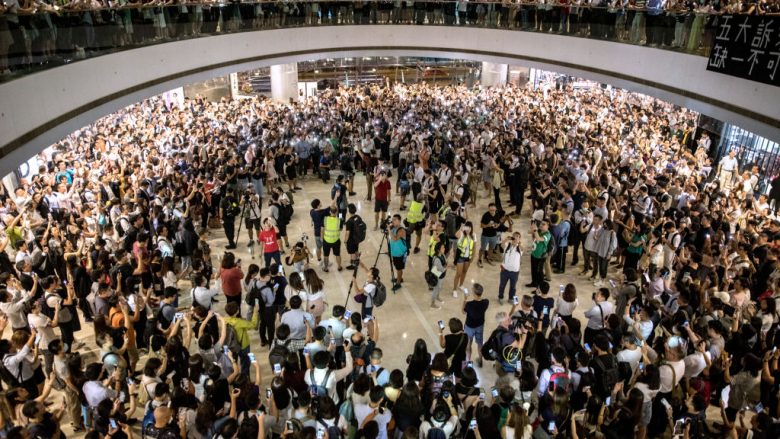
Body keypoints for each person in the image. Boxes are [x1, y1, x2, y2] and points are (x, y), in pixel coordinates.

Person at [462, 282, 489, 367]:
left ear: (473, 293)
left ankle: (467, 363)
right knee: (480, 343)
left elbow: (463, 311)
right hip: (480, 326)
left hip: (469, 326)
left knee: (468, 344)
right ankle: (480, 360)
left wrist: (465, 299)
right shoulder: (485, 302)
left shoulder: (469, 304)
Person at [497, 231, 522, 305]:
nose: (515, 238)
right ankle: (500, 297)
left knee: (513, 287)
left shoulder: (519, 248)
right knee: (502, 285)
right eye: (514, 236)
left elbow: (522, 248)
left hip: (515, 272)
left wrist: (518, 243)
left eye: (517, 236)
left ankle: (511, 298)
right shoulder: (508, 245)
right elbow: (501, 245)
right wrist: (506, 239)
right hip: (505, 270)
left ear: (519, 239)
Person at [452, 222, 476, 298]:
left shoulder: (473, 235)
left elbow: (474, 247)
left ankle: (461, 285)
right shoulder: (461, 234)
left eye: (469, 227)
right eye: (467, 227)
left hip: (468, 258)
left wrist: (472, 257)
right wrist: (461, 228)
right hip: (460, 257)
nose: (468, 229)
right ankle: (454, 290)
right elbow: (456, 235)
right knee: (458, 274)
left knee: (464, 272)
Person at [527, 220, 551, 289]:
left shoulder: (547, 234)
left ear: (548, 226)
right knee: (533, 270)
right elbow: (529, 232)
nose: (541, 225)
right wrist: (532, 228)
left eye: (543, 224)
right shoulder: (539, 231)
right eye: (541, 224)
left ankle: (539, 288)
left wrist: (535, 231)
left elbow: (538, 238)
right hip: (534, 253)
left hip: (540, 256)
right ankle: (534, 283)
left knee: (539, 273)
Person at [478, 203, 501, 268]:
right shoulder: (485, 215)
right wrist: (488, 225)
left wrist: (497, 225)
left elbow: (498, 223)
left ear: (495, 209)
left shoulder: (497, 214)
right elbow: (481, 225)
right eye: (491, 210)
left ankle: (488, 257)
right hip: (485, 235)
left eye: (493, 210)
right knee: (483, 248)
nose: (492, 211)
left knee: (491, 248)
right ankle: (479, 259)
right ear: (488, 209)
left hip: (494, 235)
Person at [321, 206, 343, 272]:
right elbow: (341, 229)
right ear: (336, 212)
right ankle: (339, 267)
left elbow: (322, 230)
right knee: (338, 254)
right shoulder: (339, 220)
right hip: (336, 240)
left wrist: (322, 238)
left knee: (326, 255)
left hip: (326, 240)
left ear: (330, 212)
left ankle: (326, 268)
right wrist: (340, 214)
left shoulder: (325, 219)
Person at [388, 214, 407, 290]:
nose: (393, 221)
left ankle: (398, 283)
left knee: (399, 268)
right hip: (395, 252)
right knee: (398, 267)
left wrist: (389, 230)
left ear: (399, 221)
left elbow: (395, 239)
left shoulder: (401, 230)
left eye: (395, 219)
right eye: (393, 219)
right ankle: (399, 278)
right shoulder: (394, 228)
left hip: (400, 253)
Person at [343, 203, 363, 270]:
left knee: (352, 252)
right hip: (357, 238)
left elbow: (347, 233)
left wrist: (345, 241)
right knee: (356, 249)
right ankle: (357, 258)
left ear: (349, 211)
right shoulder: (358, 217)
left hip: (351, 239)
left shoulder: (349, 222)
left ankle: (353, 265)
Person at [429, 242, 447, 309]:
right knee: (436, 289)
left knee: (439, 287)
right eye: (443, 248)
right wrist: (446, 267)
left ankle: (437, 297)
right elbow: (442, 269)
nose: (444, 249)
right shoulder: (436, 259)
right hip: (437, 276)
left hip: (441, 275)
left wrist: (445, 267)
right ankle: (432, 303)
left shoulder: (443, 255)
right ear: (438, 250)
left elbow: (445, 263)